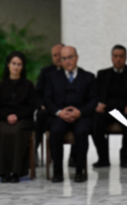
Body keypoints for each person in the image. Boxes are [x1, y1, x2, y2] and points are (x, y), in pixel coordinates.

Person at [44, 46, 97, 183]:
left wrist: (80, 112)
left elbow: (93, 100)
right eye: (64, 58)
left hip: (80, 115)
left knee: (82, 131)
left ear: (77, 57)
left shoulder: (88, 77)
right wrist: (59, 112)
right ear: (60, 61)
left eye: (70, 57)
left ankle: (79, 172)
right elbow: (47, 99)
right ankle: (57, 172)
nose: (68, 61)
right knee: (55, 131)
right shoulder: (52, 77)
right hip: (60, 115)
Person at [92, 45, 127, 168]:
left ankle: (124, 157)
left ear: (125, 58)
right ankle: (103, 158)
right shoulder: (102, 74)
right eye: (115, 56)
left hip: (126, 110)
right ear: (112, 58)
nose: (118, 59)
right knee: (95, 122)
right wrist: (98, 104)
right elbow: (94, 93)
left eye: (121, 56)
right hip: (108, 110)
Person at [0, 51, 37, 183]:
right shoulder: (0, 85)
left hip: (23, 120)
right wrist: (7, 116)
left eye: (19, 64)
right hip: (3, 119)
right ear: (8, 65)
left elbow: (31, 106)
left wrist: (17, 116)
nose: (16, 67)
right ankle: (4, 172)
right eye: (13, 64)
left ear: (23, 67)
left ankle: (16, 172)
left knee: (16, 132)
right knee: (5, 132)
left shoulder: (28, 85)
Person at [35, 43, 64, 150]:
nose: (57, 57)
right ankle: (35, 149)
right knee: (41, 114)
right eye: (54, 55)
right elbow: (37, 93)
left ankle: (73, 156)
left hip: (65, 109)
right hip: (48, 109)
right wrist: (41, 104)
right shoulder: (45, 72)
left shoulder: (71, 71)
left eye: (59, 54)